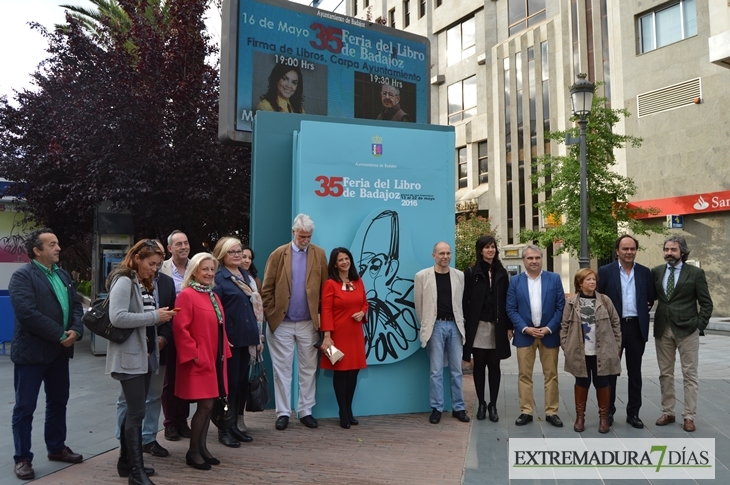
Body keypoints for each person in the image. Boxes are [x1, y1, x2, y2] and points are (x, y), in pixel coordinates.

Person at [9, 228, 85, 480]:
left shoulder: (62, 275)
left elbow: (75, 305)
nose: (58, 248)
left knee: (58, 402)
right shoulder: (22, 277)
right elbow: (28, 314)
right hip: (32, 354)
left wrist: (75, 329)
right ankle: (22, 458)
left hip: (58, 354)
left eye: (58, 243)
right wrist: (61, 335)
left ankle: (56, 448)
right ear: (37, 250)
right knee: (24, 408)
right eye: (52, 244)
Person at [106, 239, 176, 485]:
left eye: (158, 264)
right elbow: (117, 317)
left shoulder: (140, 281)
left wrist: (158, 319)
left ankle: (127, 463)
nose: (155, 269)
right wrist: (156, 316)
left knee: (134, 412)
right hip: (129, 358)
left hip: (143, 356)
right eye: (151, 263)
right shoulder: (124, 279)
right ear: (137, 257)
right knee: (136, 412)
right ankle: (136, 473)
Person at [261, 214, 328, 431]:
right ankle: (283, 412)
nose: (305, 240)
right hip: (282, 322)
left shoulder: (319, 254)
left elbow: (325, 289)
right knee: (282, 370)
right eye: (302, 236)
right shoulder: (279, 254)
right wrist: (271, 312)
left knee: (309, 368)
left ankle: (306, 410)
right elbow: (267, 287)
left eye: (308, 236)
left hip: (309, 322)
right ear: (293, 233)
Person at [174, 252, 232, 470]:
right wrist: (195, 354)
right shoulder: (187, 295)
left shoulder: (213, 296)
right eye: (204, 269)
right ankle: (193, 451)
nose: (209, 273)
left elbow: (220, 328)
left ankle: (202, 447)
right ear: (195, 271)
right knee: (205, 405)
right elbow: (180, 329)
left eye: (211, 269)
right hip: (199, 360)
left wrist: (224, 352)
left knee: (208, 406)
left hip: (215, 359)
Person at [652, 235, 713, 433]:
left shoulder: (695, 273)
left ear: (683, 253)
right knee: (665, 373)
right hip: (663, 328)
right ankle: (668, 411)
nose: (669, 253)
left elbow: (706, 303)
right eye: (667, 249)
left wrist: (699, 326)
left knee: (690, 374)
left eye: (673, 250)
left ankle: (689, 415)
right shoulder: (657, 272)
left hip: (688, 330)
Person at [597, 235, 656, 429]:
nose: (629, 252)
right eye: (625, 249)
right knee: (611, 371)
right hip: (614, 328)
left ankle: (633, 413)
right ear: (617, 251)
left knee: (635, 372)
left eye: (632, 249)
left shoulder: (645, 272)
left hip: (636, 328)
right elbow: (599, 298)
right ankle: (609, 411)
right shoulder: (605, 272)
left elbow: (650, 297)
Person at [506, 245, 565, 427]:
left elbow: (560, 306)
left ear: (541, 259)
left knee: (551, 375)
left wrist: (549, 328)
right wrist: (525, 328)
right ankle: (526, 411)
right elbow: (511, 308)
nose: (534, 261)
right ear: (524, 261)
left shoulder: (554, 279)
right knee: (525, 375)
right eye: (530, 258)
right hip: (525, 335)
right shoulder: (515, 281)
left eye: (537, 258)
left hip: (549, 334)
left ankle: (551, 412)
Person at [212, 237, 262, 446]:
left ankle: (233, 426)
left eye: (239, 251)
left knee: (240, 385)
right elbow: (215, 312)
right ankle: (224, 428)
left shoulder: (245, 276)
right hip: (229, 342)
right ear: (223, 254)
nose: (237, 255)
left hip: (247, 339)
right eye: (232, 251)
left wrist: (258, 336)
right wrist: (221, 338)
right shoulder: (219, 278)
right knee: (228, 387)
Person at [414, 242, 470, 425]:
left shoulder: (459, 276)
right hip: (435, 327)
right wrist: (427, 325)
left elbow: (462, 303)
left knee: (456, 370)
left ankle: (458, 408)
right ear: (434, 255)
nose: (445, 256)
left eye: (448, 253)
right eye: (441, 253)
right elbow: (419, 306)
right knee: (436, 370)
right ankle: (437, 408)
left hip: (454, 326)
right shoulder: (422, 276)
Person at [560, 268, 621, 433]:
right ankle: (580, 417)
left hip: (602, 351)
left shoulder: (605, 300)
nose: (592, 282)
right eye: (588, 280)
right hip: (580, 352)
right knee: (582, 383)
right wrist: (566, 347)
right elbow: (564, 326)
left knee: (602, 383)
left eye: (594, 279)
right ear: (580, 283)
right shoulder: (571, 303)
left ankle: (603, 418)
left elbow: (616, 323)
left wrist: (616, 346)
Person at [462, 235, 513, 422]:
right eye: (486, 247)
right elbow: (465, 301)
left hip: (497, 325)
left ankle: (493, 405)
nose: (490, 250)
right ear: (480, 250)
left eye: (492, 247)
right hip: (478, 326)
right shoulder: (471, 272)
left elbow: (507, 301)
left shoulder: (502, 272)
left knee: (494, 365)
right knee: (479, 365)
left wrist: (509, 326)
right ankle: (481, 403)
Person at [319, 247, 369, 429]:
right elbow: (326, 310)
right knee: (341, 372)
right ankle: (343, 412)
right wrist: (327, 336)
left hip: (355, 332)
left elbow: (365, 302)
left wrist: (362, 313)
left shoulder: (358, 281)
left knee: (353, 372)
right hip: (337, 334)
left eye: (347, 258)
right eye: (340, 260)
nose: (344, 262)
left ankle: (349, 410)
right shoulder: (330, 284)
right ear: (334, 264)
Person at [160, 230, 192, 442]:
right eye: (178, 244)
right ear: (170, 248)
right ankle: (170, 423)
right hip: (170, 327)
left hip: (192, 329)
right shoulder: (161, 268)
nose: (183, 247)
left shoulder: (197, 266)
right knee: (169, 379)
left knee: (187, 376)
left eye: (186, 242)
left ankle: (183, 420)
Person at [235, 245, 262, 433]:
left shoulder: (254, 282)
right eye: (243, 256)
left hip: (252, 335)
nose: (246, 260)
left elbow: (260, 312)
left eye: (249, 258)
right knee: (234, 382)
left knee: (244, 381)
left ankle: (239, 417)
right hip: (236, 337)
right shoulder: (228, 279)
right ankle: (228, 420)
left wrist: (259, 337)